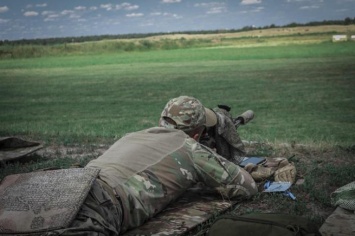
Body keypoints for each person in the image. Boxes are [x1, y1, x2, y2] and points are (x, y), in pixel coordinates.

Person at [0, 96, 258, 235]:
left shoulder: (132, 135)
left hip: (64, 182)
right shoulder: (190, 147)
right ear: (198, 133)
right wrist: (215, 158)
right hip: (98, 203)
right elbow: (246, 187)